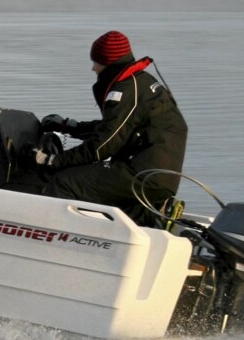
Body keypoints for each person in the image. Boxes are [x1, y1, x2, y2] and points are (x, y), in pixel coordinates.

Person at [32, 31, 188, 226]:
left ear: (109, 64)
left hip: (142, 173)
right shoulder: (140, 82)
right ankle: (150, 217)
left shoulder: (125, 91)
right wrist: (70, 127)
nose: (93, 68)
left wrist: (55, 160)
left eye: (96, 62)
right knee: (101, 191)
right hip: (157, 174)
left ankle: (55, 238)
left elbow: (103, 146)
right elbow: (117, 129)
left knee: (66, 182)